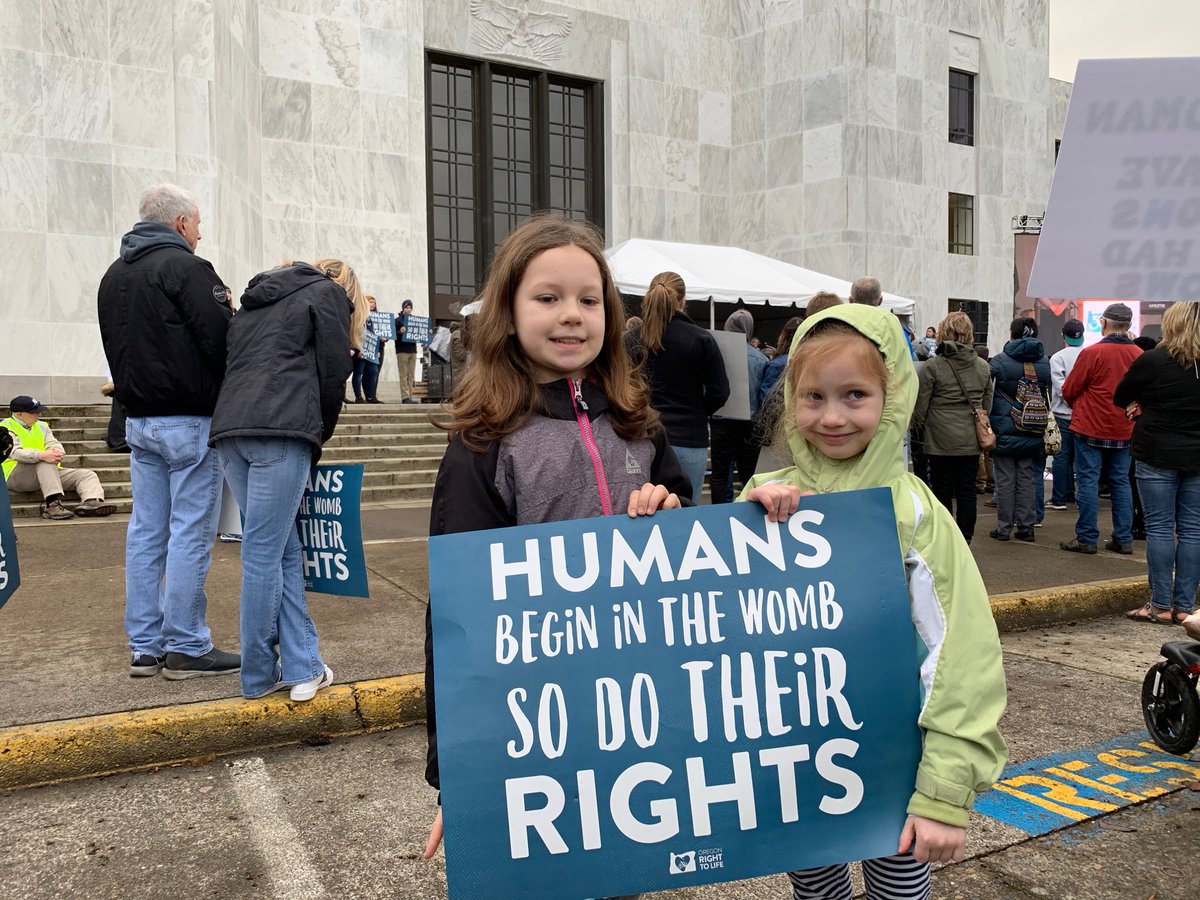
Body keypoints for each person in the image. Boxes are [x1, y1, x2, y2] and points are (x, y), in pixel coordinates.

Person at [421, 215, 692, 895]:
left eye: (589, 299)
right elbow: (457, 617)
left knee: (626, 873)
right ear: (507, 314)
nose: (571, 315)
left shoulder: (639, 422)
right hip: (536, 722)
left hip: (639, 709)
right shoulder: (484, 442)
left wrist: (672, 509)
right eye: (548, 298)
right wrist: (458, 771)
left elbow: (691, 530)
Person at [740, 303, 1006, 899]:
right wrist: (751, 506)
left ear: (895, 398)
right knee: (813, 881)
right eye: (813, 397)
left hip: (893, 756)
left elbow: (961, 653)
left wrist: (945, 788)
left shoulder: (915, 515)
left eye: (855, 395)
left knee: (897, 882)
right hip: (795, 755)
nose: (832, 417)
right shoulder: (764, 497)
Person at [97, 183, 238, 679]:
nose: (200, 234)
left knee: (146, 534)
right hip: (191, 420)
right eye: (197, 224)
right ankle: (186, 644)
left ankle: (145, 646)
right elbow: (223, 341)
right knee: (190, 534)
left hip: (139, 422)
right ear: (180, 223)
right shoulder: (187, 269)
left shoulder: (114, 275)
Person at [208, 258, 365, 700]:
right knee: (263, 555)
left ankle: (301, 667)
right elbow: (334, 373)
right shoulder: (328, 294)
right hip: (280, 429)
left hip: (230, 431)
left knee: (282, 550)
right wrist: (318, 433)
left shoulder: (252, 304)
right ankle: (257, 674)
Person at [1114, 302, 1200, 626]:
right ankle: (1185, 606)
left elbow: (1121, 396)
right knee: (1193, 530)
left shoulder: (1153, 360)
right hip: (1197, 454)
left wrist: (1145, 400)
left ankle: (1160, 605)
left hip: (1157, 451)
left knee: (1160, 528)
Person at [626, 272, 729, 504]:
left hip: (640, 436)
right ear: (682, 301)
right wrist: (699, 410)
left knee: (641, 511)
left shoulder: (631, 339)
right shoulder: (701, 339)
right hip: (688, 437)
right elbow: (720, 391)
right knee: (686, 515)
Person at [1060, 302, 1143, 555]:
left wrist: (1083, 406)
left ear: (1103, 323)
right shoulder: (1139, 355)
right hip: (1124, 428)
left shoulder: (1092, 353)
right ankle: (1123, 538)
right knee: (1120, 482)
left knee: (1088, 480)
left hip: (1090, 425)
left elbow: (1070, 390)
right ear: (1128, 325)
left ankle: (1086, 537)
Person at [911, 311, 993, 543]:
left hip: (938, 440)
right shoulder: (982, 366)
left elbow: (921, 407)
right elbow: (987, 405)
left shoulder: (933, 366)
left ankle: (946, 539)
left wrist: (918, 431)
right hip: (970, 440)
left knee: (942, 489)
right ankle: (965, 538)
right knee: (967, 490)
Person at [987, 317, 1051, 542]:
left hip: (1005, 425)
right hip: (1033, 425)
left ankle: (1004, 527)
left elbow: (988, 389)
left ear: (1012, 333)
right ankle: (1026, 526)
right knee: (1027, 477)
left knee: (1005, 478)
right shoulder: (1044, 362)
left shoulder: (1000, 361)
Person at [2, 396, 116, 520]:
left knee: (86, 475)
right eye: (34, 412)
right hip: (14, 475)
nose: (38, 413)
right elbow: (14, 452)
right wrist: (41, 455)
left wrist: (56, 453)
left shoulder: (41, 426)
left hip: (45, 473)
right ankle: (52, 505)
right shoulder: (4, 427)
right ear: (20, 414)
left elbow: (54, 443)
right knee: (45, 463)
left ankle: (91, 502)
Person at [709, 308, 767, 503]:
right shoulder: (760, 358)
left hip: (722, 421)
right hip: (750, 424)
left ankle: (720, 516)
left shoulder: (715, 352)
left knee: (720, 474)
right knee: (748, 475)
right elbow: (763, 396)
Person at [1048, 319, 1085, 510]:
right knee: (1081, 458)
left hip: (1062, 414)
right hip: (1084, 415)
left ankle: (1060, 498)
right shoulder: (1089, 354)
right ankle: (1078, 495)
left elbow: (1060, 388)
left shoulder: (1057, 358)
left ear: (1063, 336)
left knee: (1061, 457)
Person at [350, 294, 385, 403]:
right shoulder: (358, 316)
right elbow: (355, 333)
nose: (373, 304)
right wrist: (358, 349)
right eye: (370, 302)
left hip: (372, 351)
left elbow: (376, 335)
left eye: (374, 302)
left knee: (374, 372)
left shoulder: (376, 318)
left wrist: (378, 347)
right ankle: (358, 397)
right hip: (360, 349)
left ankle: (371, 396)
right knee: (359, 372)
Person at [396, 298, 420, 403]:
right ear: (403, 308)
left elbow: (420, 332)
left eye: (410, 307)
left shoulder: (414, 320)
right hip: (402, 350)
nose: (409, 309)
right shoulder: (397, 320)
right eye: (407, 307)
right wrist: (399, 331)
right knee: (403, 374)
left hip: (412, 350)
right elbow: (393, 334)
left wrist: (427, 331)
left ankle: (409, 396)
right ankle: (405, 397)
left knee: (411, 375)